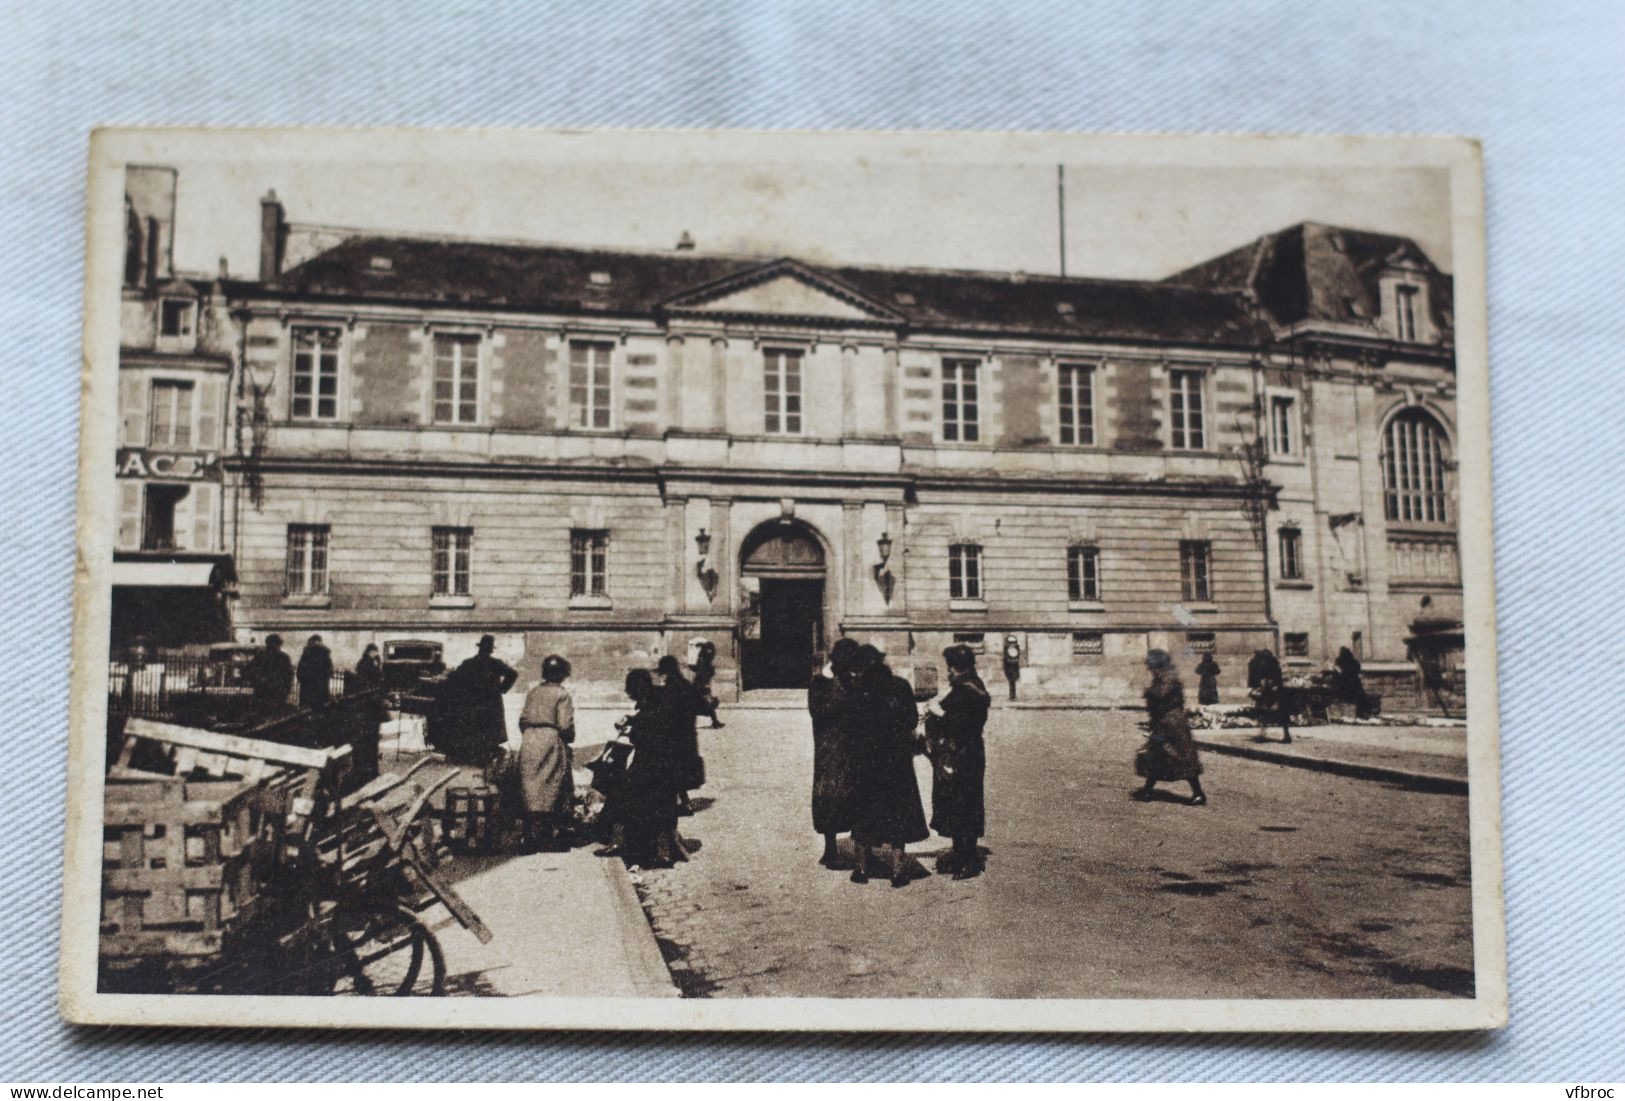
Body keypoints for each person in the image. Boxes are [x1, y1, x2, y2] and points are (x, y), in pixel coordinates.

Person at [847, 645, 930, 888]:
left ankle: (861, 869)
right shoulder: (900, 686)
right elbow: (912, 720)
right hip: (896, 762)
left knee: (863, 812)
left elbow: (849, 726)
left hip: (865, 762)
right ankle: (897, 871)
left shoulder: (857, 690)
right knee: (898, 814)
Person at [923, 644, 990, 880]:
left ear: (956, 667)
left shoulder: (970, 690)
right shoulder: (966, 686)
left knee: (966, 803)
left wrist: (939, 713)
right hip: (961, 753)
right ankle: (959, 853)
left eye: (950, 666)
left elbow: (964, 724)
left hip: (966, 754)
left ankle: (969, 860)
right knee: (954, 802)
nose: (948, 671)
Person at [613, 668, 685, 868]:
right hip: (664, 763)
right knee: (661, 805)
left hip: (653, 762)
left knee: (635, 799)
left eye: (631, 690)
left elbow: (650, 735)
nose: (629, 694)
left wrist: (630, 730)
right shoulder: (656, 700)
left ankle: (650, 852)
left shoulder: (651, 703)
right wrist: (630, 719)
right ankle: (662, 851)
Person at [808, 637, 861, 868]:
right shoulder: (820, 683)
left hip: (853, 747)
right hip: (829, 749)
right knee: (828, 796)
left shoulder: (853, 681)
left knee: (858, 795)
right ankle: (830, 847)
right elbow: (818, 711)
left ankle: (862, 849)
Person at [428, 634, 517, 768]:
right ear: (490, 650)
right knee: (487, 732)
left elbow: (453, 678)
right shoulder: (495, 664)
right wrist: (501, 689)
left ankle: (474, 757)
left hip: (474, 704)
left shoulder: (469, 663)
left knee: (475, 730)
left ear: (480, 648)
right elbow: (513, 674)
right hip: (491, 704)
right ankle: (484, 757)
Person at [517, 655, 577, 851]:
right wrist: (568, 738)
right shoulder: (561, 694)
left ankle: (529, 836)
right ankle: (551, 836)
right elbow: (565, 725)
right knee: (554, 785)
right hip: (550, 739)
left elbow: (522, 720)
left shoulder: (533, 692)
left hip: (529, 740)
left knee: (530, 787)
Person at [1133, 649, 1207, 806]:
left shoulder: (1168, 677)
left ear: (1158, 664)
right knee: (1156, 756)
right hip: (1164, 722)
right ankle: (1148, 790)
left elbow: (1160, 695)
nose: (1150, 670)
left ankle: (1198, 793)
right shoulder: (1162, 677)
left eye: (1151, 666)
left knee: (1181, 757)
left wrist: (1148, 692)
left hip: (1173, 724)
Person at [656, 654, 705, 814]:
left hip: (673, 736)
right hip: (687, 734)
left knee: (671, 770)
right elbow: (700, 705)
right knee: (678, 771)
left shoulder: (669, 689)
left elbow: (665, 713)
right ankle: (684, 802)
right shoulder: (686, 685)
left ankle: (679, 805)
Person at [1247, 647, 1292, 744]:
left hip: (1273, 694)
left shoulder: (1267, 665)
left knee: (1265, 713)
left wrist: (1266, 685)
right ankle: (1285, 735)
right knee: (1278, 715)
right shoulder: (1275, 665)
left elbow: (1269, 681)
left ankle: (1264, 735)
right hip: (1278, 693)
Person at [246, 634, 294, 715]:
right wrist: (286, 691)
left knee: (260, 716)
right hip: (277, 694)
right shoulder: (284, 657)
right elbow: (289, 676)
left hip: (262, 693)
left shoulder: (259, 656)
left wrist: (258, 681)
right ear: (279, 644)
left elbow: (250, 672)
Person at [691, 640, 724, 729]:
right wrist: (704, 685)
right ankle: (715, 722)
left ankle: (715, 721)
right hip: (700, 686)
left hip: (701, 685)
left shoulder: (704, 661)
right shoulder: (703, 661)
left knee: (703, 704)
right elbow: (701, 674)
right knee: (703, 704)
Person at [1333, 646, 1372, 719]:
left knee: (1343, 698)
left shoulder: (1339, 660)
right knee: (1359, 698)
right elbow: (1358, 668)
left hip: (1344, 682)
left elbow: (1336, 669)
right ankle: (1362, 714)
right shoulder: (1353, 661)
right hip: (1355, 682)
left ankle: (1346, 715)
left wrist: (1340, 673)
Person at [296, 634, 333, 709]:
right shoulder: (324, 654)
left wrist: (301, 677)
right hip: (320, 686)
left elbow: (300, 669)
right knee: (319, 707)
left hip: (308, 686)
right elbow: (329, 670)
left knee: (307, 707)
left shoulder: (307, 653)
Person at [1001, 635, 1022, 701]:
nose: (1012, 644)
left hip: (1012, 667)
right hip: (1010, 667)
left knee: (1012, 682)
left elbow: (1016, 656)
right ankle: (1012, 696)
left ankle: (1012, 696)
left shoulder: (1014, 649)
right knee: (1011, 682)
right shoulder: (1008, 649)